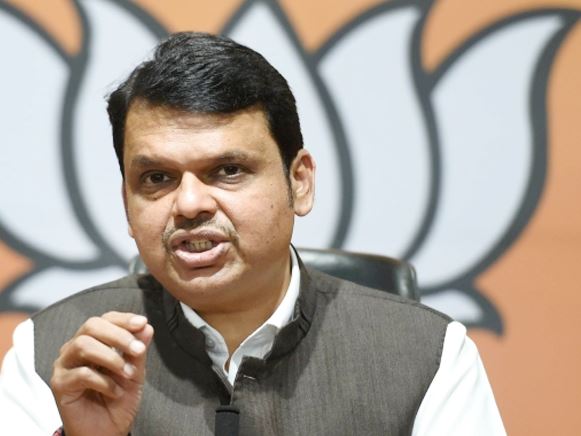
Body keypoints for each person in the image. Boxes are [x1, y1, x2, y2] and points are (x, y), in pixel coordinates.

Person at [0, 32, 505, 435]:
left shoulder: (427, 356)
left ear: (299, 182)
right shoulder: (54, 354)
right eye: (156, 178)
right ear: (127, 204)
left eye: (228, 170)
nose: (189, 204)